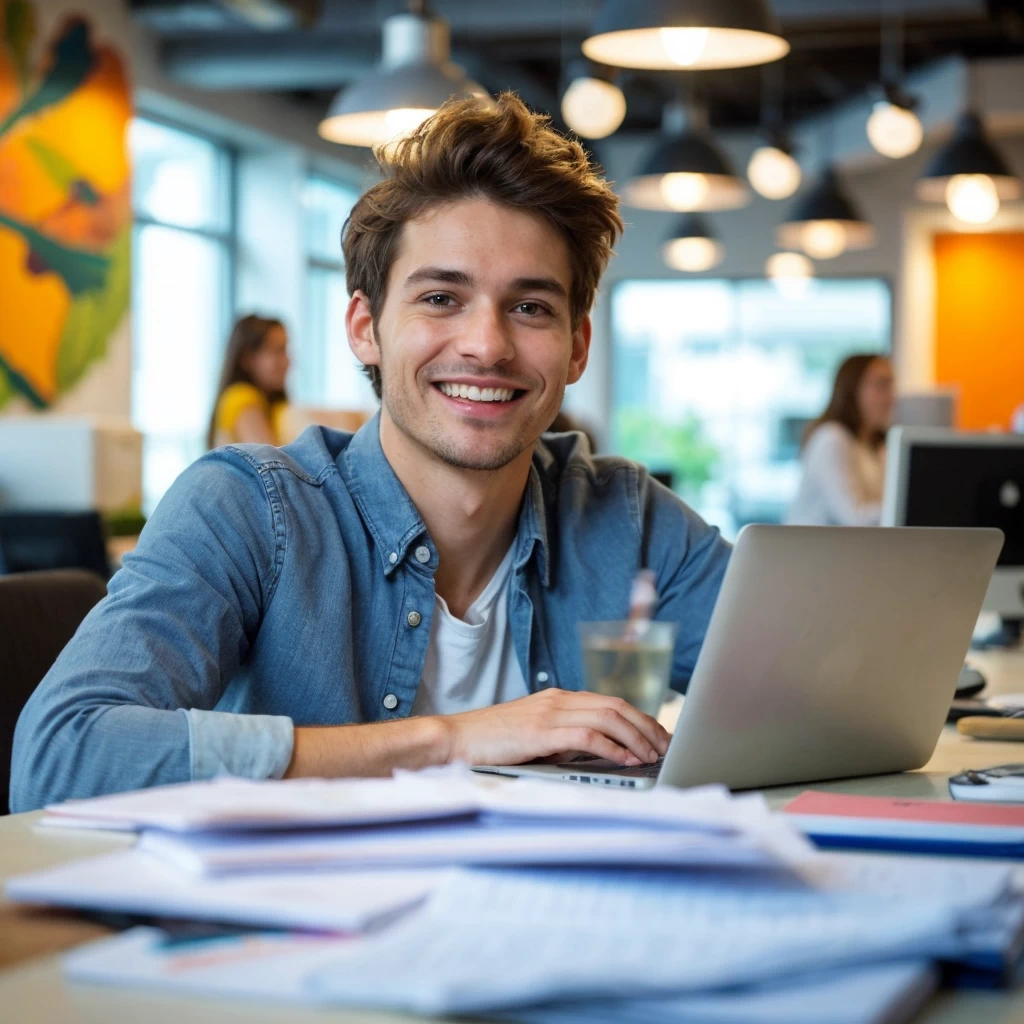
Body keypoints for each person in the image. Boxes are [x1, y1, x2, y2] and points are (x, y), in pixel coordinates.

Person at [11, 94, 730, 811]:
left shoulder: (627, 517)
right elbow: (61, 757)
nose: (486, 345)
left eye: (530, 307)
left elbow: (823, 703)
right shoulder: (249, 508)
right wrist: (447, 742)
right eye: (441, 299)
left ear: (576, 347)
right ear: (365, 327)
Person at [786, 354, 895, 527]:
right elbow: (854, 517)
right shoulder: (831, 439)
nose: (891, 397)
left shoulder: (873, 445)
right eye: (881, 385)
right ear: (852, 389)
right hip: (814, 551)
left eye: (891, 386)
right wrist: (906, 507)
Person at [207, 315, 291, 448]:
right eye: (276, 351)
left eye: (285, 350)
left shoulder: (270, 404)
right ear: (246, 358)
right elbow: (271, 462)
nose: (286, 361)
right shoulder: (241, 397)